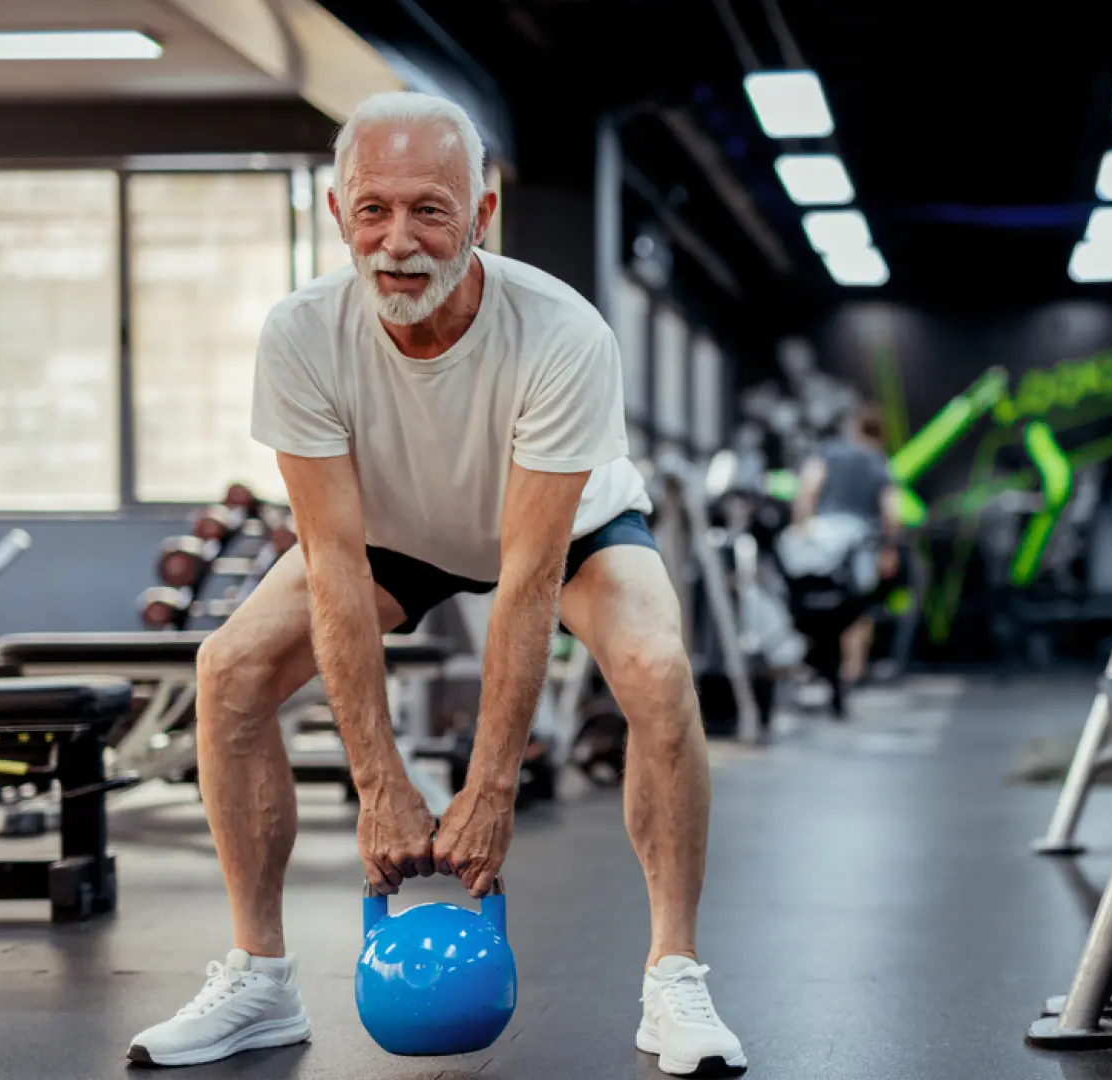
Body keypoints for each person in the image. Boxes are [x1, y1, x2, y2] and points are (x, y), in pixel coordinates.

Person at [126, 91, 745, 1077]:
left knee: (658, 670)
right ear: (338, 215)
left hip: (564, 532)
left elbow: (528, 576)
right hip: (392, 532)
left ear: (482, 216)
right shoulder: (301, 335)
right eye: (372, 209)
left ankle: (675, 975)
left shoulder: (561, 332)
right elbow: (333, 570)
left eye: (430, 209)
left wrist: (489, 787)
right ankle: (259, 979)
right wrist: (378, 787)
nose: (398, 241)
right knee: (230, 667)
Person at [790, 404, 903, 713]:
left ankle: (808, 665)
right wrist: (889, 548)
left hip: (824, 538)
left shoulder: (829, 452)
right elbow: (892, 509)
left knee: (812, 600)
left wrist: (801, 529)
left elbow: (809, 489)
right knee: (857, 610)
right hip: (859, 541)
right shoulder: (878, 460)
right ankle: (851, 672)